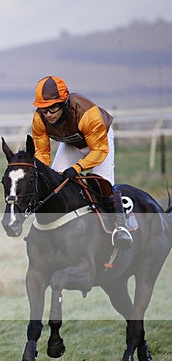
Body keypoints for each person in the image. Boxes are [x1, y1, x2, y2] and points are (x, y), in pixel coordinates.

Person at [32, 75, 132, 249]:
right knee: (56, 184)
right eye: (43, 109)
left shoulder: (87, 114)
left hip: (99, 143)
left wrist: (77, 168)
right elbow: (41, 153)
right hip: (71, 142)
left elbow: (99, 151)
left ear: (63, 103)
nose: (48, 114)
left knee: (103, 184)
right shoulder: (39, 119)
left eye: (52, 108)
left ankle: (120, 226)